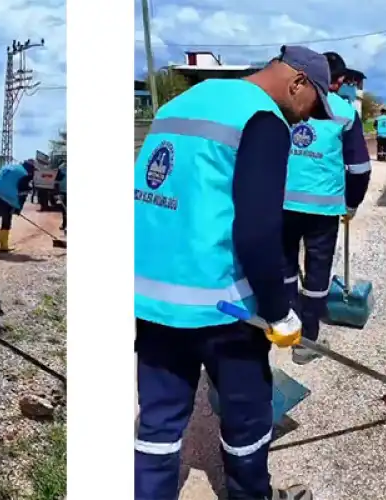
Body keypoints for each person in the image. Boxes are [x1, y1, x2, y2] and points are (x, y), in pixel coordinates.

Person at [134, 45, 335, 500]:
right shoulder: (262, 119)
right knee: (248, 418)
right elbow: (258, 231)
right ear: (298, 83)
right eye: (314, 104)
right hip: (222, 306)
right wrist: (279, 312)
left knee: (158, 426)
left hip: (152, 298)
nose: (309, 117)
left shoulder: (180, 104)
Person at [281, 52, 372, 366]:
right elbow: (359, 168)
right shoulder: (344, 111)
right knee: (317, 271)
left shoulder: (285, 104)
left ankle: (285, 324)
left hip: (282, 203)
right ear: (339, 80)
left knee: (285, 266)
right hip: (323, 208)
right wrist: (352, 203)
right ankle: (306, 340)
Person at [0, 159, 35, 253]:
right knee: (6, 221)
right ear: (30, 168)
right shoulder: (24, 174)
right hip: (7, 198)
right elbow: (22, 194)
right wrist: (18, 208)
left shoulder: (8, 166)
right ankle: (3, 246)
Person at [54, 162, 66, 231]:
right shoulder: (61, 169)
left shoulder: (61, 169)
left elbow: (56, 182)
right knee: (64, 210)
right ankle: (64, 225)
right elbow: (56, 182)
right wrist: (57, 193)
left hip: (63, 192)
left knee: (65, 210)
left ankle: (64, 225)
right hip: (63, 192)